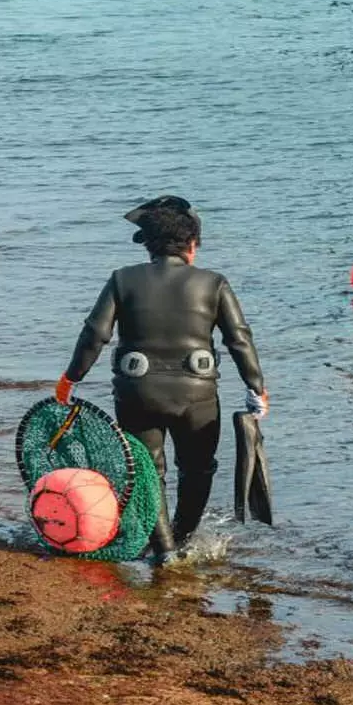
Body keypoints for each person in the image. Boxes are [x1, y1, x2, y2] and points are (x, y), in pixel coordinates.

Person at [54, 197, 267, 561]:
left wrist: (70, 378)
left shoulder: (123, 280)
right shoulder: (213, 283)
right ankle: (182, 541)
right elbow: (239, 339)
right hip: (196, 396)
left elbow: (95, 334)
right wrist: (256, 386)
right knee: (198, 470)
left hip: (138, 393)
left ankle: (164, 549)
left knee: (148, 471)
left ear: (149, 244)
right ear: (192, 245)